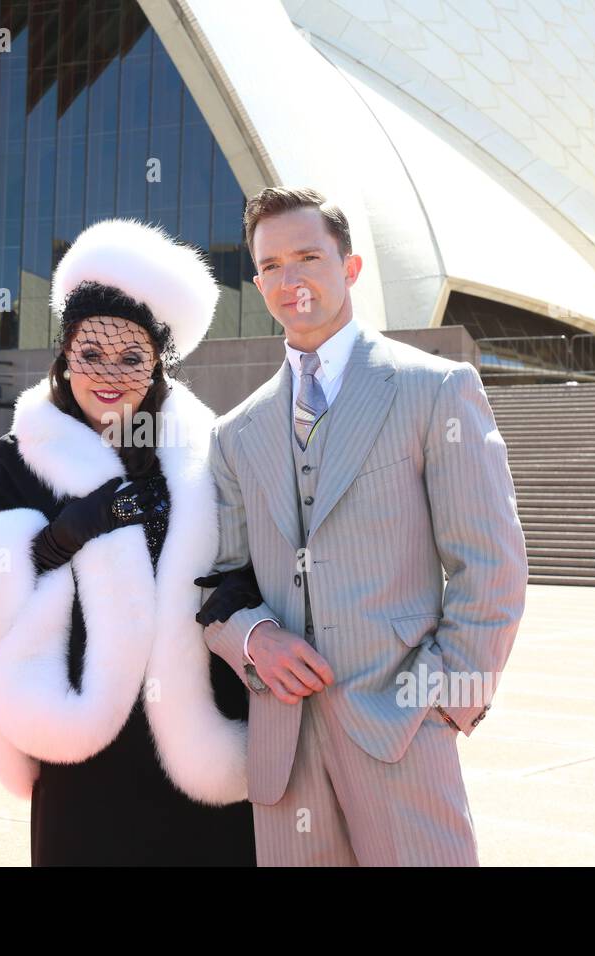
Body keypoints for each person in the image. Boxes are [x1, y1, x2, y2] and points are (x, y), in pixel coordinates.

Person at [198, 186, 528, 866]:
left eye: (308, 257)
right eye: (271, 265)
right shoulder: (236, 433)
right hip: (285, 753)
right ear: (257, 280)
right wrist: (255, 640)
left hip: (404, 733)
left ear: (349, 268)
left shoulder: (436, 391)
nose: (291, 280)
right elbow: (219, 579)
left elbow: (490, 566)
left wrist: (445, 705)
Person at [0, 218, 258, 866]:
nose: (109, 376)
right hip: (88, 733)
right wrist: (66, 536)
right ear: (65, 356)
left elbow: (247, 566)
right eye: (89, 355)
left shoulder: (207, 452)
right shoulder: (25, 454)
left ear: (159, 363)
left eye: (131, 357)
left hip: (193, 720)